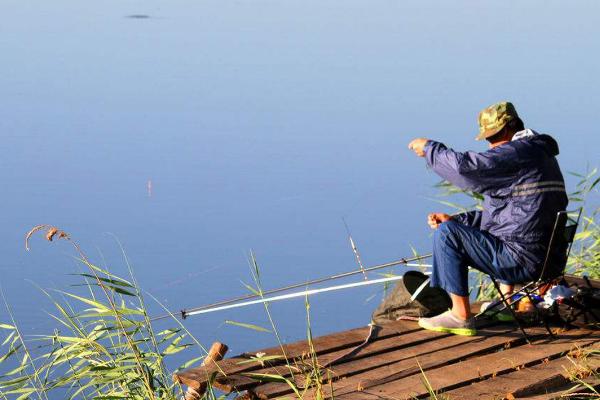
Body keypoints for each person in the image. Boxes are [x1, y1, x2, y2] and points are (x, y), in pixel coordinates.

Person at [407, 101, 568, 336]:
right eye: (487, 139)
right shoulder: (540, 155)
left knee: (446, 235)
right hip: (547, 261)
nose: (490, 145)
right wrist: (457, 220)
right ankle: (509, 302)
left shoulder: (518, 153)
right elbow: (509, 215)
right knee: (453, 227)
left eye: (493, 137)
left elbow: (466, 169)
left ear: (508, 128)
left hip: (522, 260)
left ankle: (460, 316)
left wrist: (430, 149)